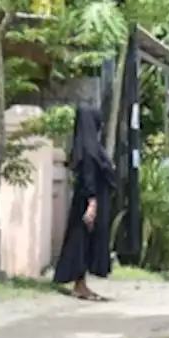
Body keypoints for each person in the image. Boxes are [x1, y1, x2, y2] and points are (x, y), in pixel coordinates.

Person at [53, 103, 117, 300]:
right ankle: (80, 285)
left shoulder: (86, 147)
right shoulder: (89, 150)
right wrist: (92, 205)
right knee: (82, 241)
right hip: (90, 202)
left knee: (83, 241)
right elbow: (89, 179)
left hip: (89, 201)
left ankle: (81, 284)